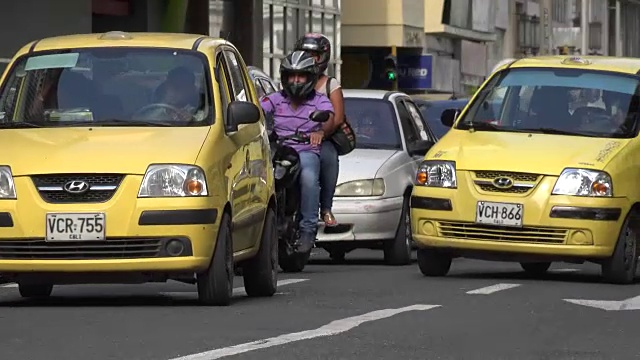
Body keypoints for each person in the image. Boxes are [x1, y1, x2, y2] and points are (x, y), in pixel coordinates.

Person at [260, 50, 335, 252]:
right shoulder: (275, 99)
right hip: (277, 150)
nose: (296, 81)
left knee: (309, 178)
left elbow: (329, 118)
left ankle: (307, 230)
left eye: (301, 76)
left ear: (310, 78)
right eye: (291, 76)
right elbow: (258, 109)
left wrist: (320, 131)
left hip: (306, 150)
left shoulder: (319, 100)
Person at [295, 33, 344, 228]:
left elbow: (337, 118)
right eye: (305, 53)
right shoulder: (291, 80)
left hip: (320, 141)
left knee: (329, 157)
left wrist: (321, 133)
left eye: (314, 54)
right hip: (292, 140)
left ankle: (325, 207)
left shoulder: (330, 84)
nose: (310, 58)